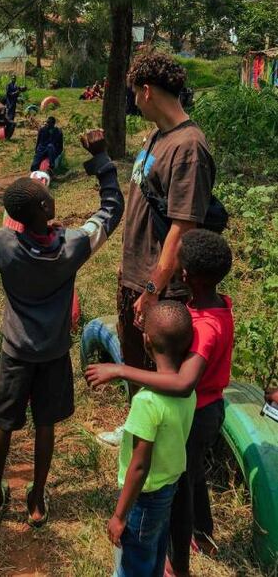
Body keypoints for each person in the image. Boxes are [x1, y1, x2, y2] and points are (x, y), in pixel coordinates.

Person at [0, 129, 123, 527]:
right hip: (53, 352)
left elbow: (18, 236)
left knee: (3, 424)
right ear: (47, 207)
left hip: (15, 353)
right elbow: (112, 209)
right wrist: (101, 159)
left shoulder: (3, 244)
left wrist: (43, 225)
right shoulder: (71, 247)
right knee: (45, 425)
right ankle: (38, 498)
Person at [85, 229, 234, 574]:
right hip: (196, 409)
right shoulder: (211, 304)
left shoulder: (208, 327)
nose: (178, 271)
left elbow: (182, 383)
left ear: (188, 276)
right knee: (186, 478)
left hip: (198, 413)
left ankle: (178, 564)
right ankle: (187, 543)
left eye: (181, 267)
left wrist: (121, 370)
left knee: (180, 490)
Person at [101, 51, 218, 447]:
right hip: (137, 273)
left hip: (162, 286)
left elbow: (183, 228)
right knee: (134, 357)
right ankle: (138, 428)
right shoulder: (156, 136)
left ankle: (163, 447)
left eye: (135, 92)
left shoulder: (189, 148)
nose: (133, 100)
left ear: (147, 91)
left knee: (159, 367)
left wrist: (153, 289)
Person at [107, 302, 196, 577]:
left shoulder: (146, 401)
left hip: (143, 499)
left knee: (133, 564)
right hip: (168, 488)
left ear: (146, 341)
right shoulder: (187, 393)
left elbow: (139, 466)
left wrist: (119, 515)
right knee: (155, 555)